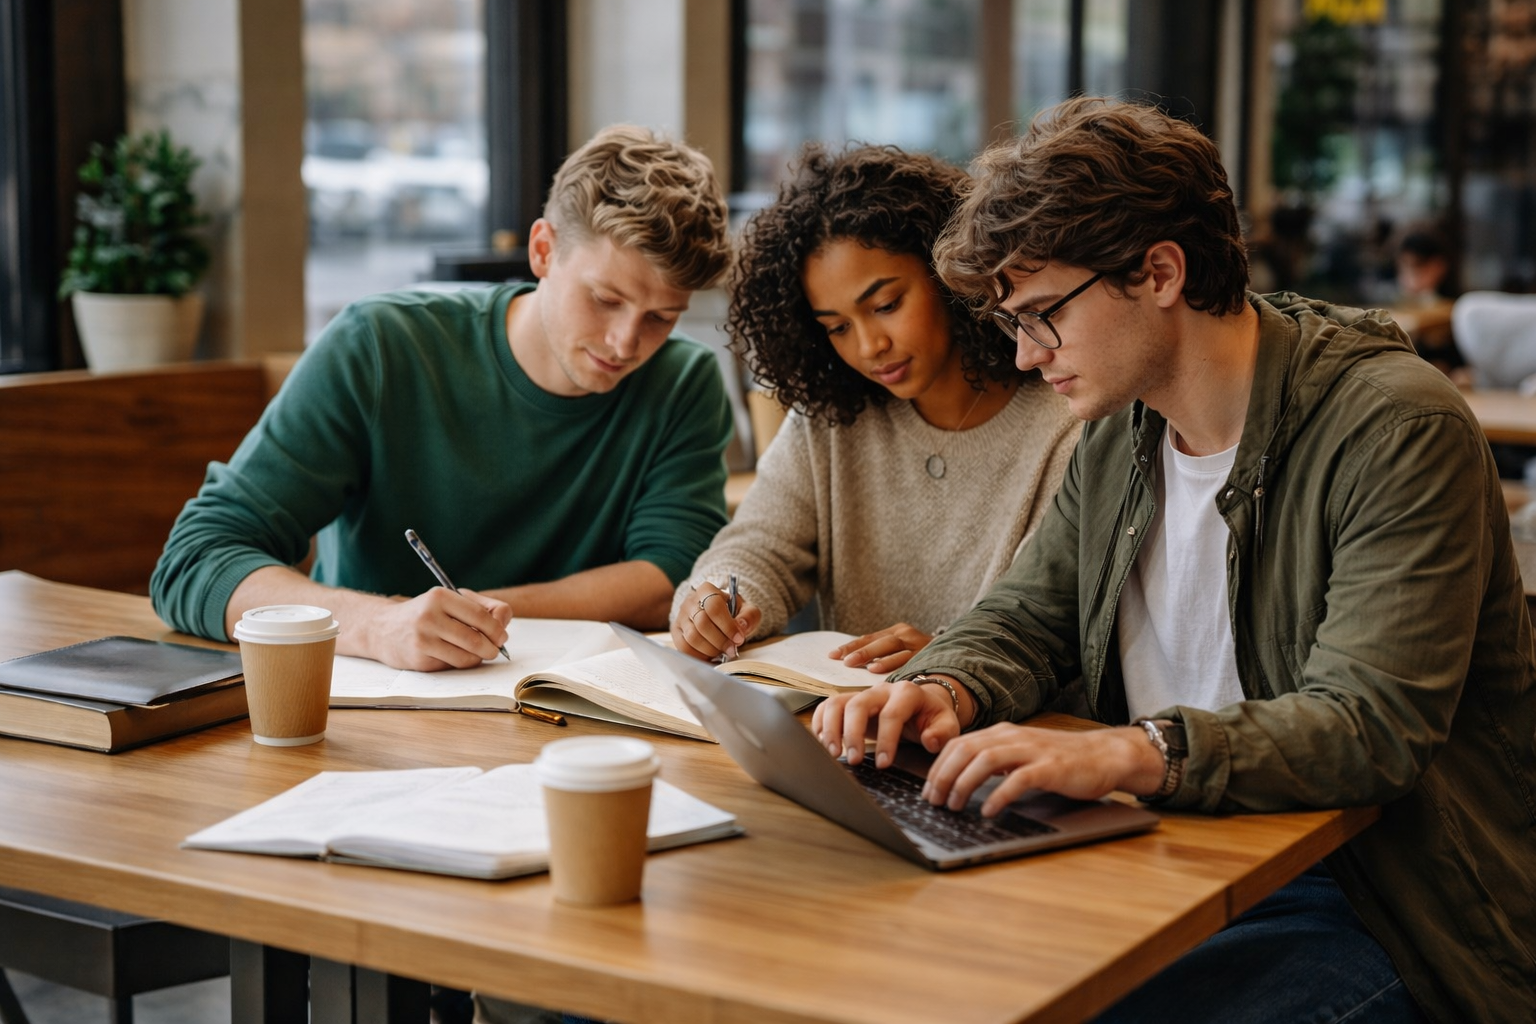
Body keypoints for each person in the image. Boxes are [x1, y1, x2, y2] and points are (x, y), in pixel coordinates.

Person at [816, 98, 1535, 1022]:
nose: (1029, 358)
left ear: (1158, 271)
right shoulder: (1123, 429)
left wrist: (1133, 752)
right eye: (1012, 326)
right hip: (1172, 852)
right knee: (919, 974)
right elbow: (1028, 615)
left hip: (1372, 901)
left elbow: (1370, 725)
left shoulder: (1395, 428)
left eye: (1042, 317)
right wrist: (944, 685)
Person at [152, 125, 734, 671]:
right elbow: (195, 559)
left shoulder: (684, 382)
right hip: (372, 721)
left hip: (571, 719)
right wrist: (381, 625)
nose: (626, 342)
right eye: (605, 298)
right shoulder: (381, 346)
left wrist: (470, 616)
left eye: (661, 317)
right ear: (542, 250)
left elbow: (671, 581)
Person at [671, 145, 1078, 673]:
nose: (868, 347)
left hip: (1005, 732)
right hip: (848, 727)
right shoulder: (832, 417)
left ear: (949, 275)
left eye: (886, 306)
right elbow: (759, 545)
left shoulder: (1065, 418)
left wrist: (952, 656)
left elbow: (1048, 621)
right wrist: (719, 602)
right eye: (836, 327)